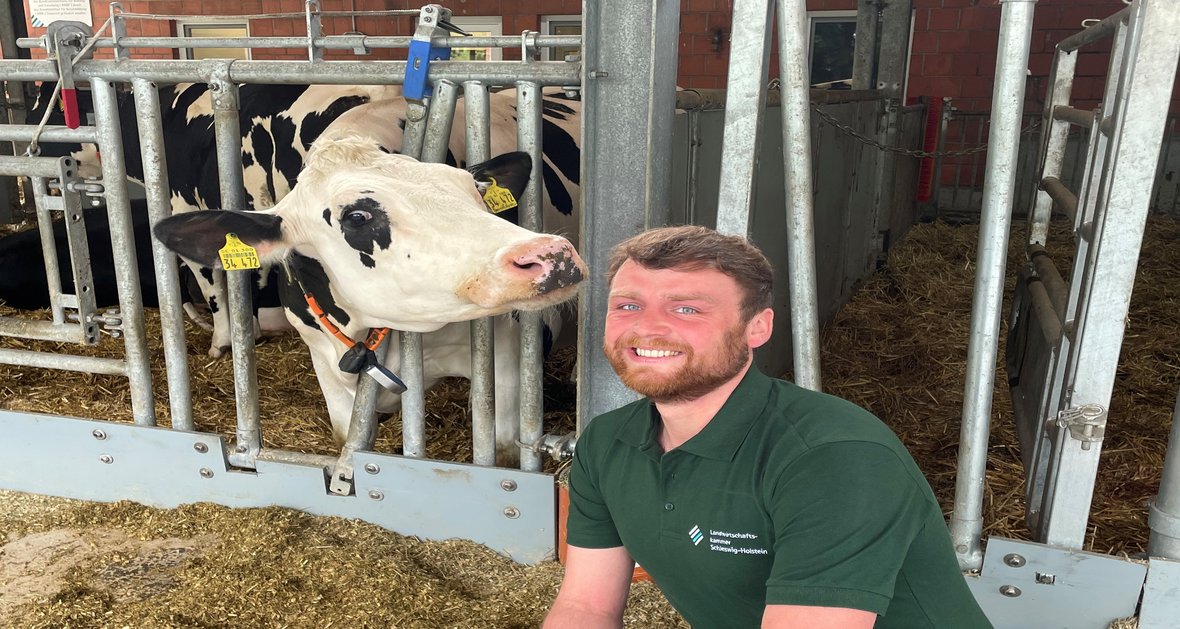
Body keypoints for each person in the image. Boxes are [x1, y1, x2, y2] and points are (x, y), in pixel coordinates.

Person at [544, 226, 993, 628]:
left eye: (686, 309)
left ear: (756, 328)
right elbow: (586, 607)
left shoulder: (834, 457)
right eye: (628, 305)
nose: (647, 327)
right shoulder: (607, 443)